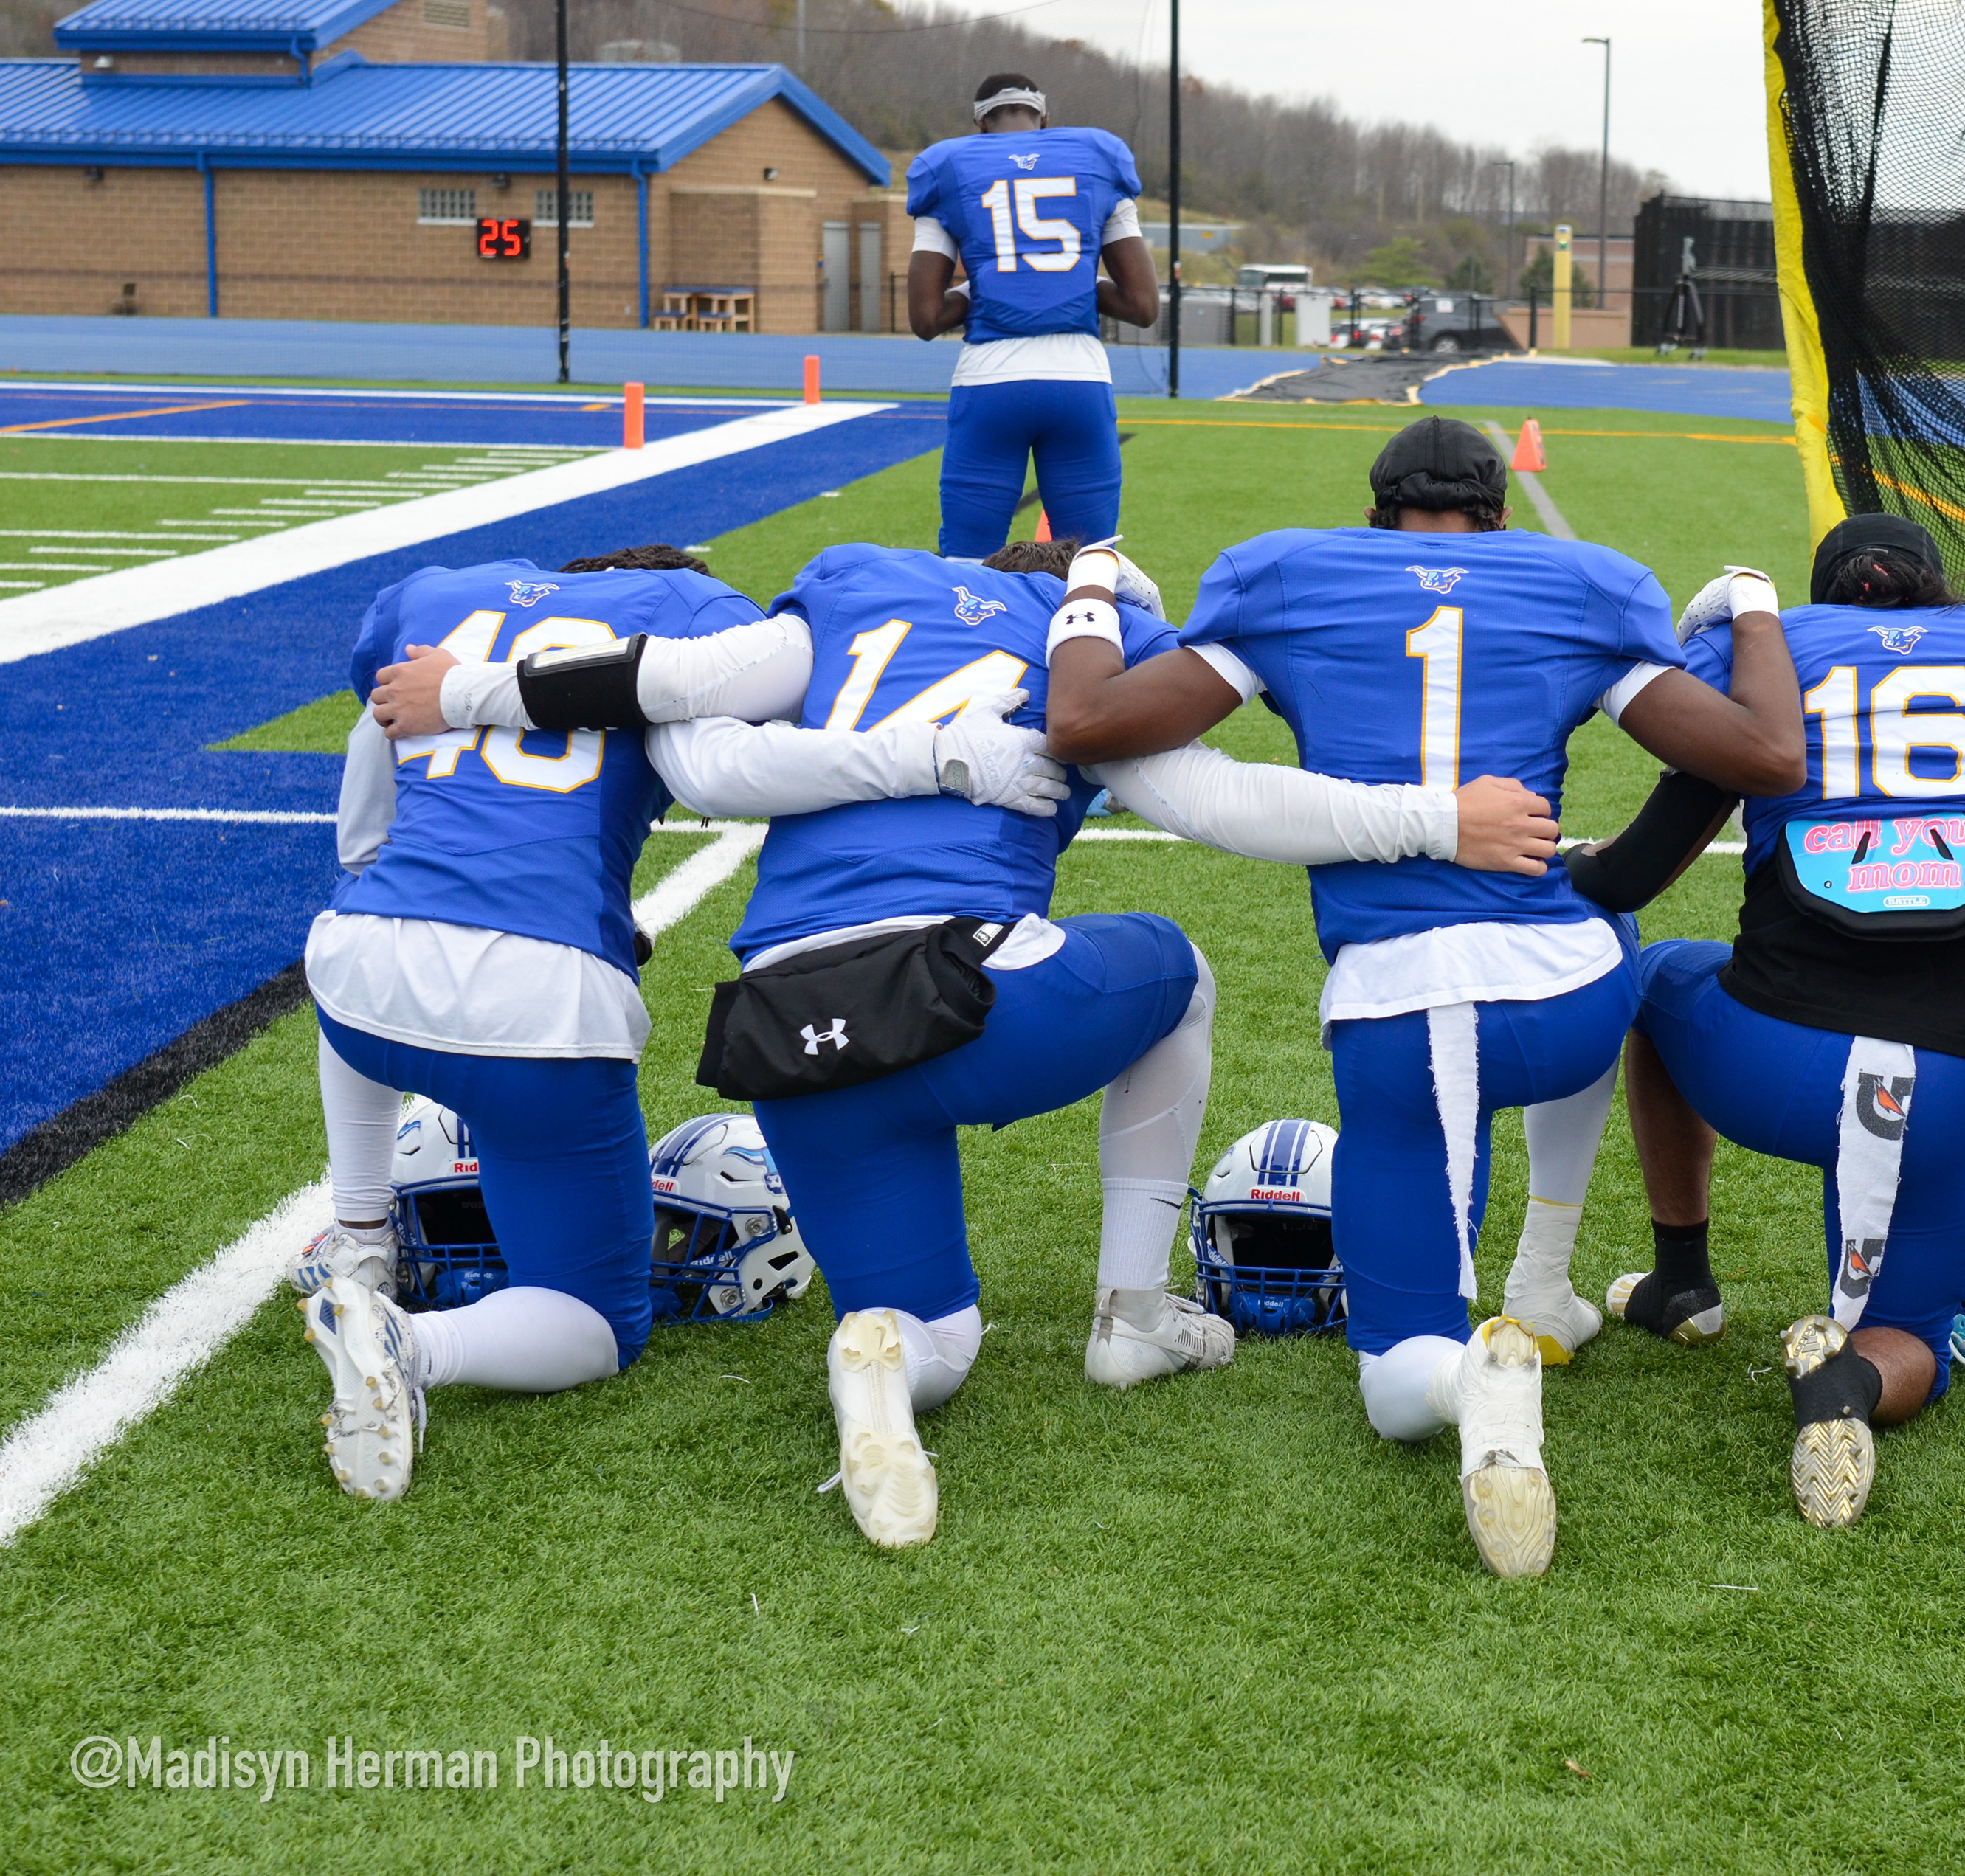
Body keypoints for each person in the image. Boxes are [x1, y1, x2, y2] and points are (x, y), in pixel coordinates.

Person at [389, 535, 1563, 1551]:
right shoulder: (1082, 641)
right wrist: (1433, 819)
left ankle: (877, 1358)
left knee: (936, 1338)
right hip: (976, 989)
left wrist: (475, 689)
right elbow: (1217, 800)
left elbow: (684, 714)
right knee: (1179, 973)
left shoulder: (849, 588)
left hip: (788, 1029)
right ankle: (1131, 1313)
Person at [1042, 417, 1807, 1577]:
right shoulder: (1582, 581)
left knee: (1400, 1382)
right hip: (1570, 1001)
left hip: (1406, 1012)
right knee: (1604, 914)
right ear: (1497, 517)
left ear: (1375, 514)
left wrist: (1093, 583)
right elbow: (1765, 754)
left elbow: (1088, 725)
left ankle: (1473, 1378)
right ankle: (1542, 1279)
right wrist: (1750, 603)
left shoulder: (1289, 573)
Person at [299, 545, 1066, 1504]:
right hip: (540, 1000)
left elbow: (366, 830)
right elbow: (721, 765)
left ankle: (360, 1235)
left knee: (366, 942)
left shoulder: (436, 596)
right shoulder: (690, 612)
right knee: (592, 1321)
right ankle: (412, 1342)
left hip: (357, 965)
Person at [1554, 514, 1965, 1529]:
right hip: (1943, 1092)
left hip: (1773, 1066)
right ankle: (1846, 1381)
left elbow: (1632, 873)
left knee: (1658, 977)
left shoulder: (1775, 665)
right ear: (1939, 590)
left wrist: (1560, 863)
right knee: (1914, 1341)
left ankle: (1683, 1279)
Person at [906, 73, 1160, 557]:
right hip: (1079, 381)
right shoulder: (1096, 156)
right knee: (1089, 562)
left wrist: (989, 285)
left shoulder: (949, 166)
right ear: (1044, 120)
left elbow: (926, 317)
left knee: (967, 562)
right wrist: (1064, 284)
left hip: (991, 382)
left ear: (981, 125)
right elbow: (1142, 305)